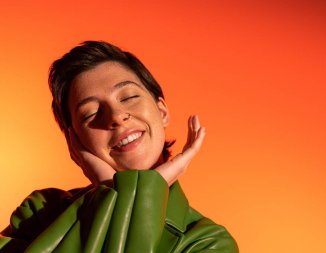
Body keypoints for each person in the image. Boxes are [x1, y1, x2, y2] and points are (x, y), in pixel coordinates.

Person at [0, 41, 238, 252]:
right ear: (74, 141)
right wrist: (112, 193)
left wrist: (129, 192)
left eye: (128, 97)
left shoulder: (210, 243)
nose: (115, 116)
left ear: (162, 111)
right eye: (91, 113)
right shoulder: (39, 213)